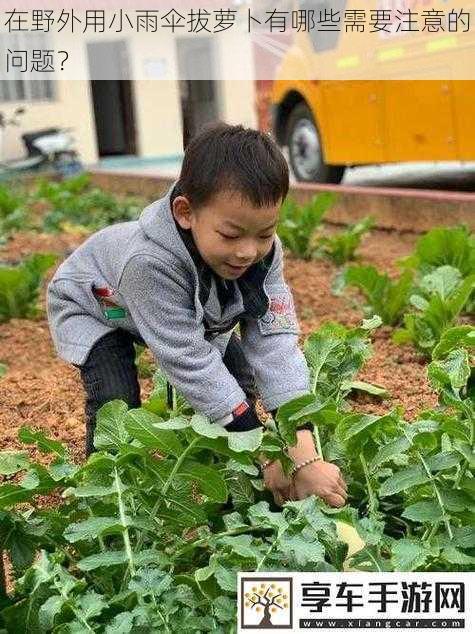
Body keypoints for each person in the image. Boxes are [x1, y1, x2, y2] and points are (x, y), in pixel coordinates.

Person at [46, 122, 347, 509]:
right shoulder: (148, 263)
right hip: (95, 304)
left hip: (185, 307)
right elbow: (187, 358)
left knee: (239, 378)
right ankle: (107, 495)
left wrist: (303, 449)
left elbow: (274, 341)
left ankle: (235, 481)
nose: (247, 252)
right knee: (115, 398)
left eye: (265, 233)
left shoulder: (262, 254)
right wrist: (268, 453)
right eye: (231, 235)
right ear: (186, 212)